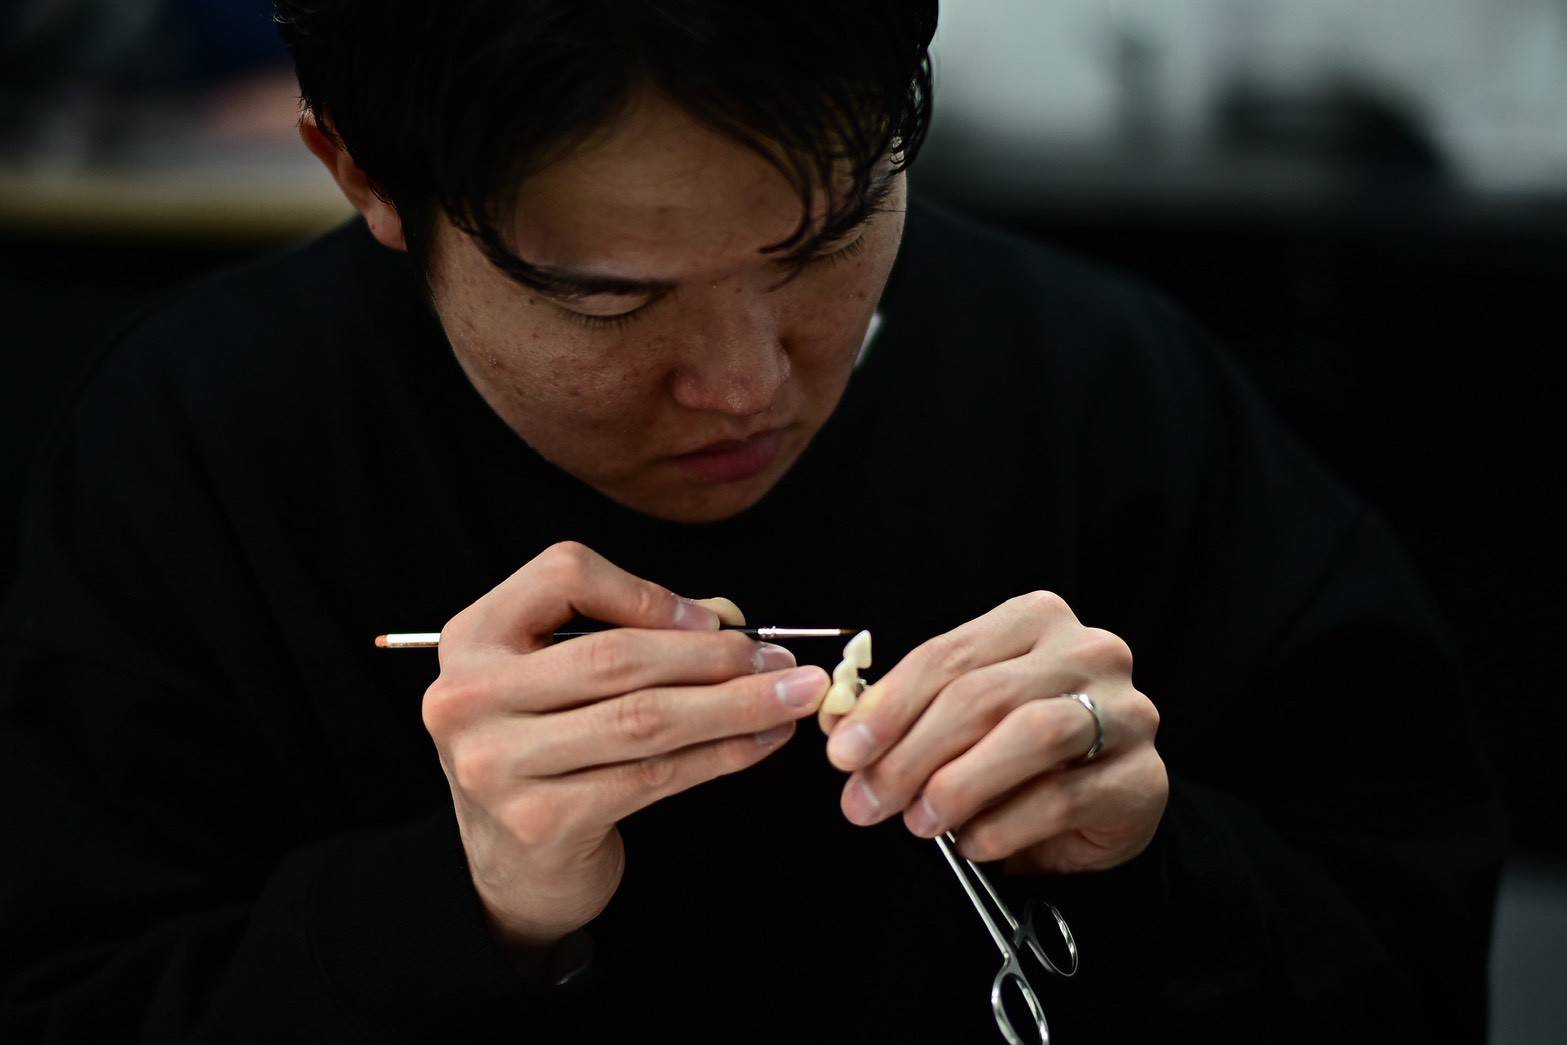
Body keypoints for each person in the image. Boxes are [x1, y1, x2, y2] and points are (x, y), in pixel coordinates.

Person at [0, 2, 1504, 1042]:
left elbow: (1412, 966)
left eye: (827, 240)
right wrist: (472, 915)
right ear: (365, 176)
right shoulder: (196, 458)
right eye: (610, 298)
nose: (745, 386)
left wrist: (1149, 864)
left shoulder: (1105, 393)